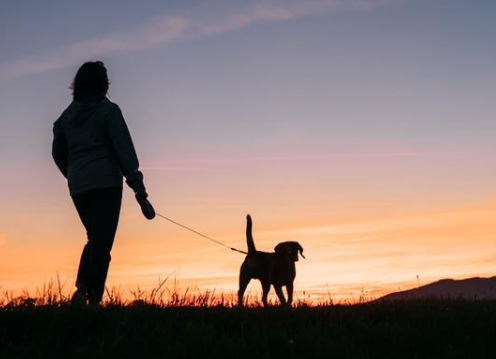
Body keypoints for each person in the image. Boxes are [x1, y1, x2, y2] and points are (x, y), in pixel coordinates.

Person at [52, 61, 154, 305]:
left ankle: (82, 290)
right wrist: (138, 188)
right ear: (101, 84)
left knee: (95, 238)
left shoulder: (65, 119)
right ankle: (91, 297)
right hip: (106, 183)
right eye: (106, 79)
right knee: (101, 242)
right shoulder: (109, 112)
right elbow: (124, 150)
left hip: (78, 186)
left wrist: (72, 174)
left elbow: (57, 153)